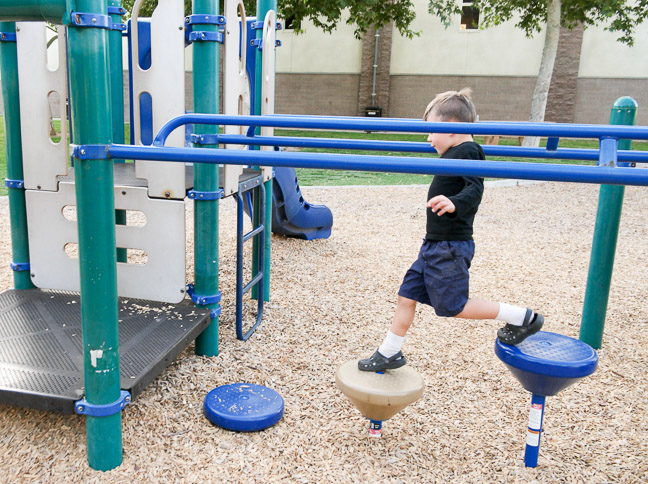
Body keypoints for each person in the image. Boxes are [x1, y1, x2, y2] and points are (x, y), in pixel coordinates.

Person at [358, 88, 544, 372]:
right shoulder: (456, 152)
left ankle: (523, 317)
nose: (428, 138)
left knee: (454, 306)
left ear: (453, 128)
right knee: (406, 295)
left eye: (432, 130)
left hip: (449, 246)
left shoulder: (468, 150)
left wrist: (454, 203)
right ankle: (389, 351)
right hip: (434, 245)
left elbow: (475, 188)